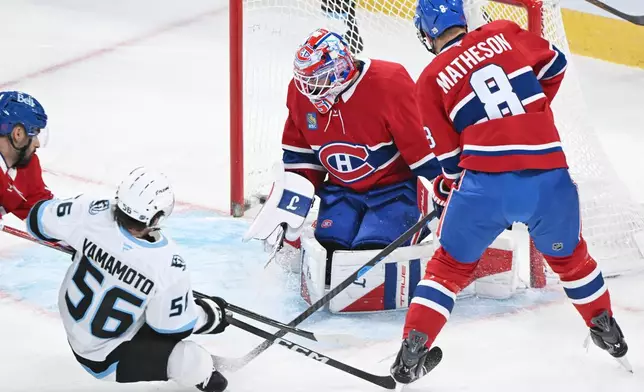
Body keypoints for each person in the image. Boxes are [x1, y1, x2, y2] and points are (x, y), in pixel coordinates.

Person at [389, 0, 629, 384]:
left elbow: (450, 160)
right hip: (549, 174)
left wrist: (448, 184)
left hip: (486, 184)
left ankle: (412, 350)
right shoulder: (502, 31)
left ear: (428, 32)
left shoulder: (430, 77)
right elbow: (556, 65)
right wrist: (528, 116)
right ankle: (606, 328)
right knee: (571, 260)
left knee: (448, 269)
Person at [245, 28, 441, 279]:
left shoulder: (389, 83)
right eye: (305, 80)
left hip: (395, 192)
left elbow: (423, 152)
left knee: (370, 255)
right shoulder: (300, 93)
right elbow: (301, 158)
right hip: (341, 193)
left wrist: (445, 194)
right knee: (330, 252)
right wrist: (288, 207)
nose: (307, 88)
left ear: (341, 70)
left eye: (316, 79)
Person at [26, 167, 230, 392]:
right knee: (194, 361)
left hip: (74, 328)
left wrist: (85, 247)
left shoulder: (91, 209)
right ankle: (203, 376)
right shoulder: (167, 264)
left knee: (148, 304)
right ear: (156, 216)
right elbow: (171, 329)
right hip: (108, 359)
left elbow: (37, 221)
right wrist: (211, 315)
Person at [0, 91, 52, 220]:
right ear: (18, 133)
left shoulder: (26, 164)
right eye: (35, 134)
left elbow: (45, 215)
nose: (38, 143)